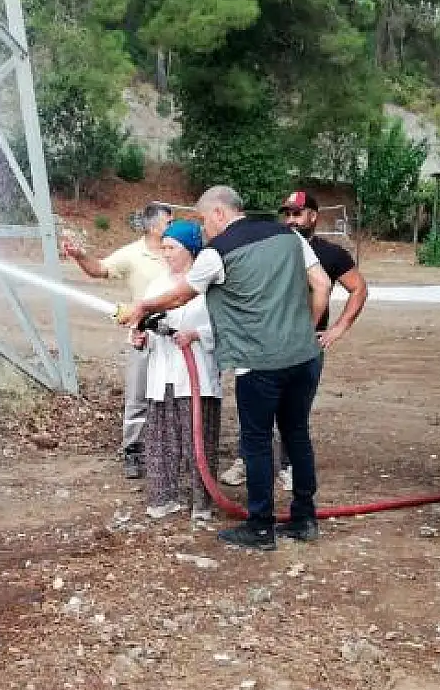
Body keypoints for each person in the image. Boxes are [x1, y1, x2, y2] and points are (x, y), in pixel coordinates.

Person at [117, 186, 331, 551]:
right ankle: (304, 518)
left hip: (258, 364)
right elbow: (323, 286)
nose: (202, 230)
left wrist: (141, 308)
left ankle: (261, 527)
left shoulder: (218, 252)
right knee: (297, 434)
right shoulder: (289, 235)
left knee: (258, 442)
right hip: (304, 358)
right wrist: (303, 335)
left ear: (219, 212)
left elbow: (180, 295)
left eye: (203, 220)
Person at [218, 190, 368, 488]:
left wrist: (337, 328)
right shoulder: (269, 247)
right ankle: (246, 460)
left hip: (306, 344)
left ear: (313, 216)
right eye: (286, 214)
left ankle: (287, 466)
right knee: (255, 406)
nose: (290, 220)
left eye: (296, 214)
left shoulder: (330, 253)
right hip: (265, 340)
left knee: (295, 411)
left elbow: (359, 288)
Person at [60, 204, 174, 478]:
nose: (173, 226)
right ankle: (133, 450)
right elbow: (99, 270)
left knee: (173, 395)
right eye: (168, 222)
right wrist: (79, 255)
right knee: (138, 395)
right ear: (152, 226)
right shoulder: (133, 254)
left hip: (176, 337)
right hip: (143, 336)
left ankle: (168, 449)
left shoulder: (179, 252)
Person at [137, 241, 221, 522]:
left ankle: (202, 503)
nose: (166, 253)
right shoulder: (156, 285)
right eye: (164, 248)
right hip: (163, 374)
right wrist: (140, 338)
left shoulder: (208, 284)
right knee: (160, 437)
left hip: (197, 373)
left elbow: (226, 324)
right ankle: (164, 498)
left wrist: (196, 334)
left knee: (198, 438)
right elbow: (144, 322)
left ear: (189, 250)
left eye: (172, 247)